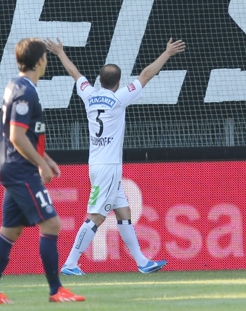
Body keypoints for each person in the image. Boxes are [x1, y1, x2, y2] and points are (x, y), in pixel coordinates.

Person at [44, 35, 185, 276]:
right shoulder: (119, 98)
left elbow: (75, 74)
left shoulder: (89, 94)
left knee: (123, 212)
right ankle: (70, 263)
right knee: (96, 217)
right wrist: (167, 54)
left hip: (98, 163)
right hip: (108, 167)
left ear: (99, 80)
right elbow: (146, 75)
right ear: (118, 82)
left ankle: (142, 262)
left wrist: (60, 53)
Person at [0, 38, 85, 304]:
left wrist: (46, 159)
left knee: (10, 231)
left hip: (15, 166)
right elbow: (17, 136)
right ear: (40, 61)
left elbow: (26, 134)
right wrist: (39, 163)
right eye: (46, 58)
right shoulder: (25, 91)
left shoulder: (16, 86)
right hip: (21, 169)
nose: (46, 62)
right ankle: (56, 290)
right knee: (51, 223)